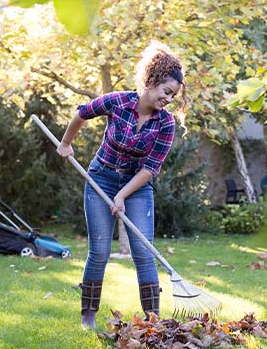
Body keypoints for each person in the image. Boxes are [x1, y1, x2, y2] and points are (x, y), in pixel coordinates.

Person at [56, 41, 187, 329]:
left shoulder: (166, 123)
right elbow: (82, 112)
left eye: (173, 96)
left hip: (136, 185)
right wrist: (66, 144)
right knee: (100, 250)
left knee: (143, 251)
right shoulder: (117, 101)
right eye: (167, 92)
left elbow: (150, 168)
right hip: (100, 176)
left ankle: (153, 321)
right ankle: (88, 314)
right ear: (151, 82)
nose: (169, 99)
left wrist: (122, 195)